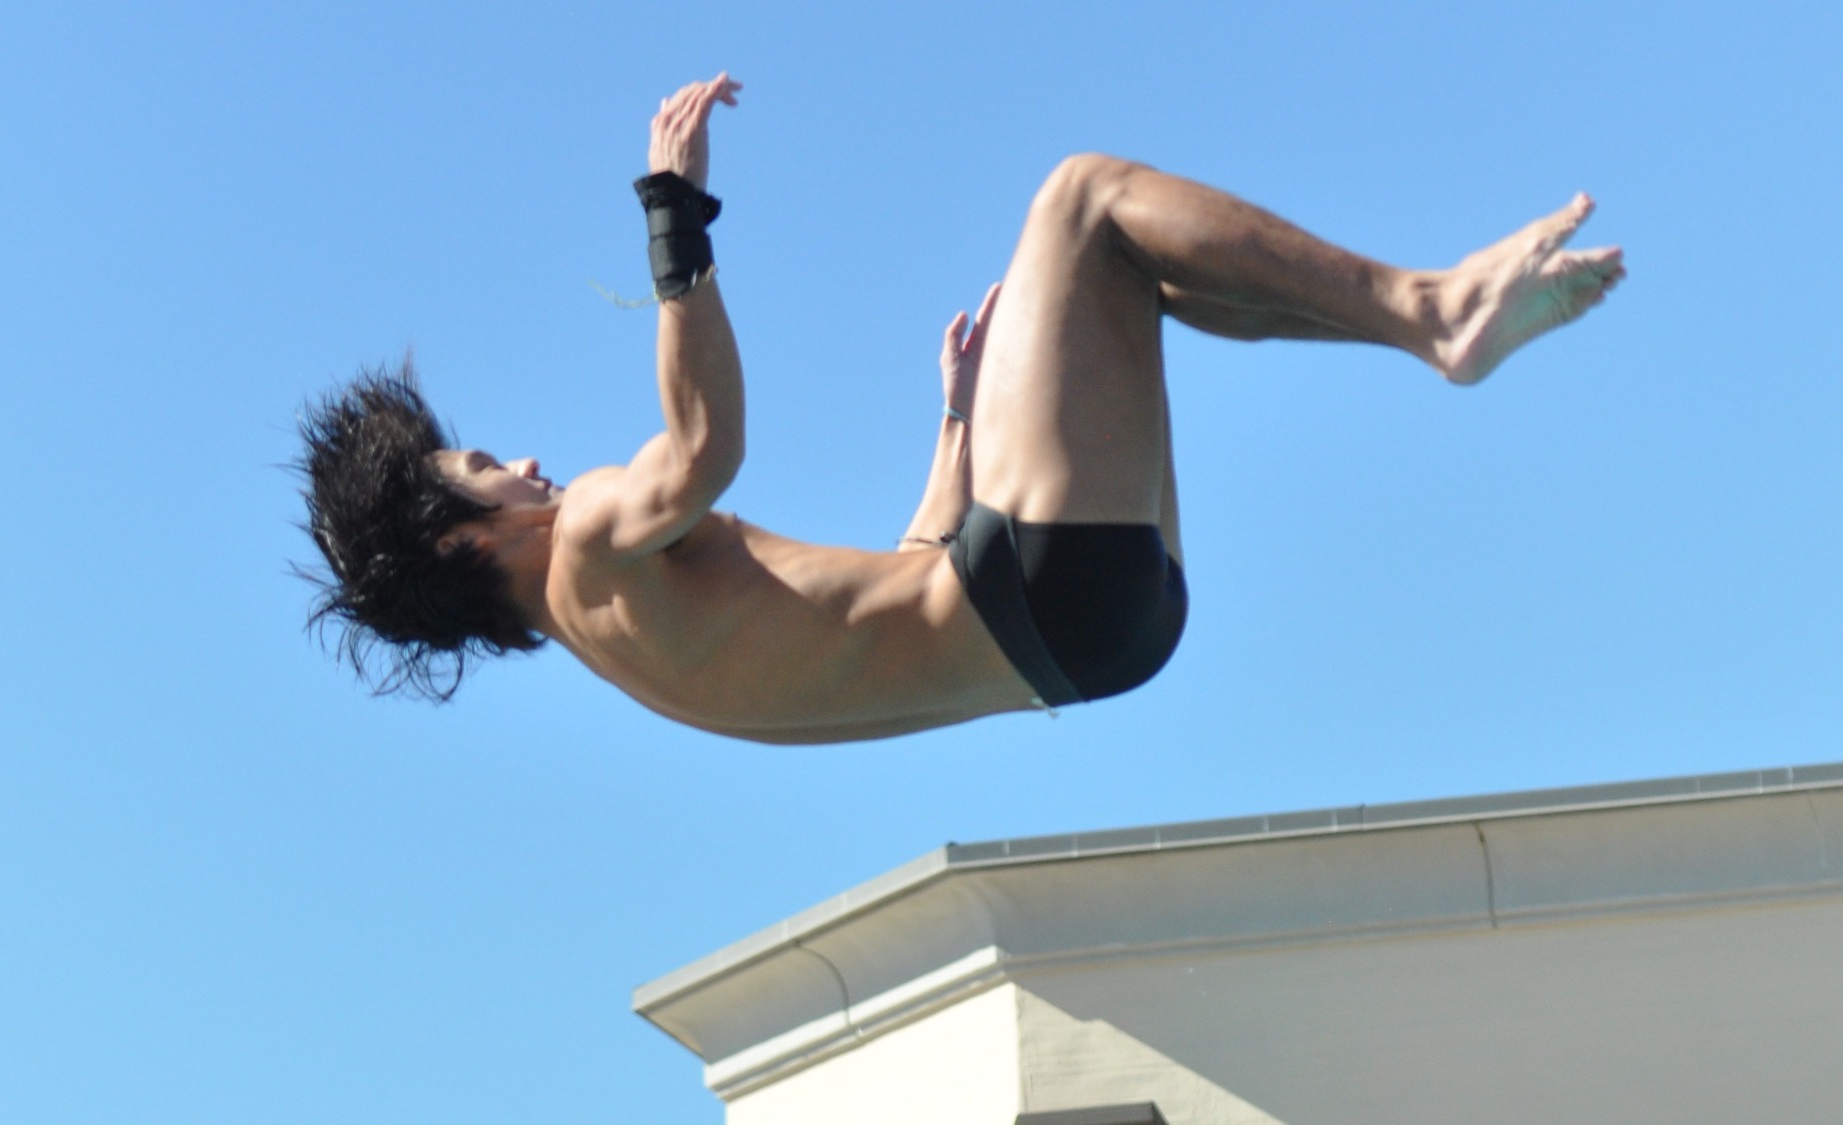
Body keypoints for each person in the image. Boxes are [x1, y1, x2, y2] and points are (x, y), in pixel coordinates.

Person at [297, 74, 1624, 743]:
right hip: (1041, 590)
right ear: (458, 540)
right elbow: (704, 446)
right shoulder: (588, 539)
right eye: (482, 467)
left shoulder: (630, 653)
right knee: (1084, 196)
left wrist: (953, 426)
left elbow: (904, 583)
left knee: (1143, 268)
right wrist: (673, 213)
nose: (522, 459)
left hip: (1093, 634)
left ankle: (1427, 321)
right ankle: (1430, 312)